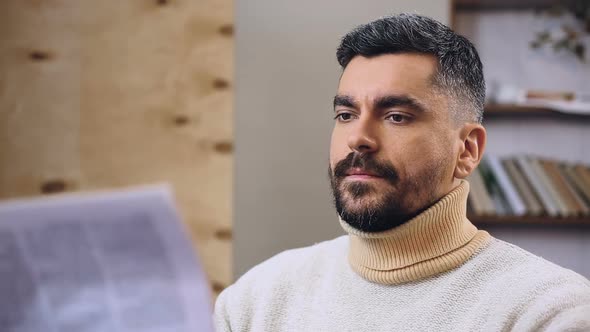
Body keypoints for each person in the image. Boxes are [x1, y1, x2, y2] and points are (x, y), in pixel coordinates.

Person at [214, 13, 590, 331]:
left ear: (468, 149)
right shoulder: (254, 303)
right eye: (346, 115)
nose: (358, 139)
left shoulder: (549, 313)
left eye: (396, 116)